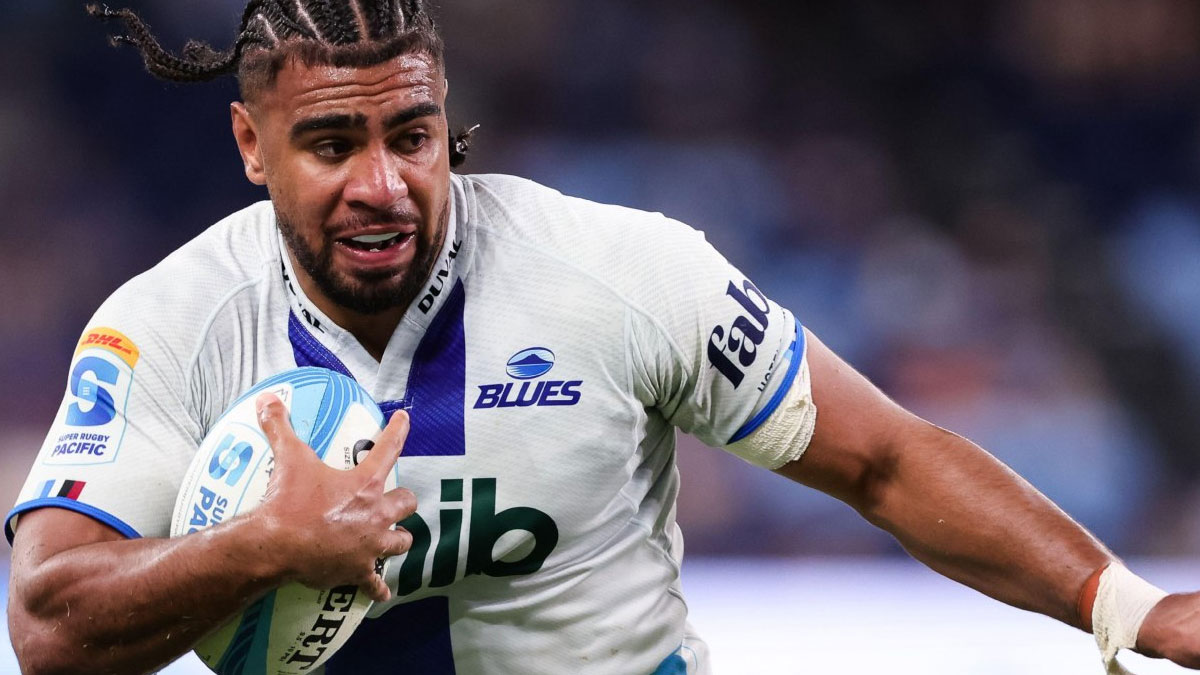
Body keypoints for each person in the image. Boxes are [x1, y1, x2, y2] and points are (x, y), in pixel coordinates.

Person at [6, 2, 1200, 674]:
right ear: (249, 146)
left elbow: (883, 459)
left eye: (411, 136)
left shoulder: (622, 273)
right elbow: (48, 621)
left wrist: (1125, 606)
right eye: (330, 146)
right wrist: (260, 546)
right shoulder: (170, 326)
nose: (382, 184)